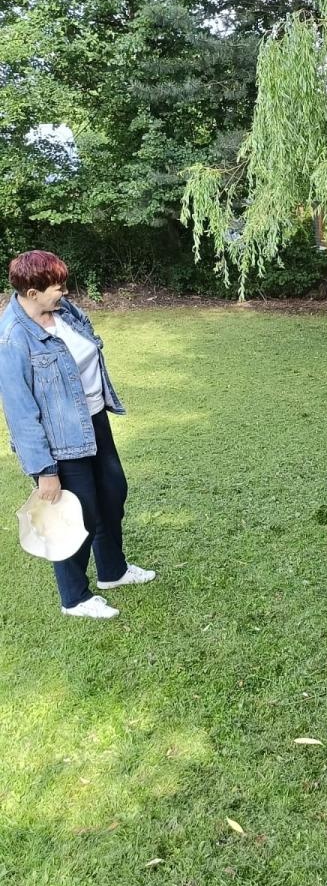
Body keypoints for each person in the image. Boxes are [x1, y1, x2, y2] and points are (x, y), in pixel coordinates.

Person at [0, 251, 155, 619]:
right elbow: (20, 412)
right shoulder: (13, 339)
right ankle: (74, 598)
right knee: (75, 514)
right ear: (32, 292)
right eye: (57, 287)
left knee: (112, 493)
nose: (64, 292)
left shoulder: (66, 313)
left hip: (94, 419)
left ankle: (112, 572)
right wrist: (44, 470)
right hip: (60, 439)